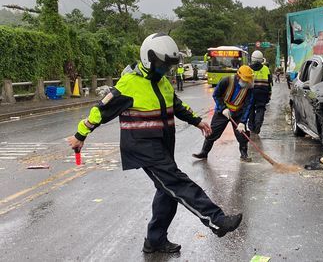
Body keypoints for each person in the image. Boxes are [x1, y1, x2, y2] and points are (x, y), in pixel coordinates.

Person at [66, 33, 242, 254]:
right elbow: (100, 111)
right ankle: (216, 219)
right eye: (161, 65)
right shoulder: (129, 84)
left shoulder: (163, 83)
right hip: (142, 146)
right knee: (177, 183)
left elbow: (176, 105)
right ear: (148, 58)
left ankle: (155, 240)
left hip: (163, 144)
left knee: (167, 192)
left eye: (167, 66)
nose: (164, 70)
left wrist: (197, 121)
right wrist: (80, 135)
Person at [192, 65, 254, 162]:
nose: (246, 82)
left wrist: (243, 121)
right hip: (222, 112)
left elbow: (248, 105)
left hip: (238, 113)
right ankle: (204, 152)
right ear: (238, 76)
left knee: (242, 135)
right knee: (212, 133)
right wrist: (223, 108)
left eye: (248, 80)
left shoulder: (249, 87)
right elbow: (216, 95)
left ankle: (244, 154)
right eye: (245, 80)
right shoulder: (226, 81)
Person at [248, 51, 272, 136]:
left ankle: (251, 127)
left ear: (252, 58)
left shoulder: (248, 68)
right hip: (263, 93)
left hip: (251, 93)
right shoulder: (266, 69)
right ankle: (257, 126)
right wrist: (269, 94)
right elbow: (270, 83)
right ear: (262, 59)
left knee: (250, 109)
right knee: (260, 109)